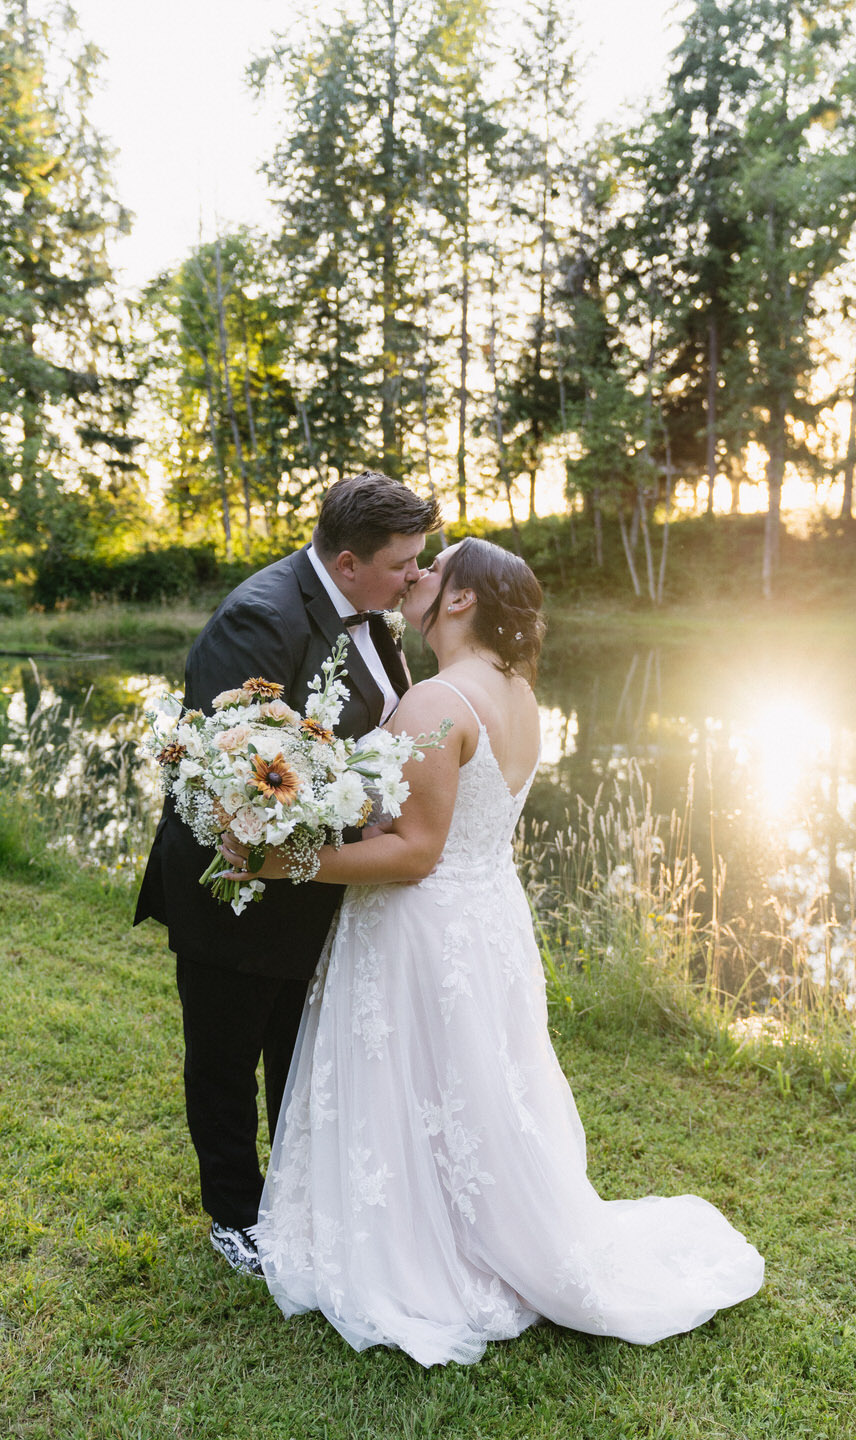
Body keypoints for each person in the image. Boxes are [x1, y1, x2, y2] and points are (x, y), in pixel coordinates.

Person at [224, 536, 765, 1365]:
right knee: (474, 1083)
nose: (416, 577)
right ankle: (479, 1219)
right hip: (486, 917)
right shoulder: (517, 693)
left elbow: (413, 854)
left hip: (423, 922)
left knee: (431, 1082)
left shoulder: (434, 702)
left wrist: (284, 858)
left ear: (465, 599)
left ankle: (429, 1247)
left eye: (432, 570)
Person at [134, 470, 440, 1275]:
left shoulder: (374, 614)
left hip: (322, 881)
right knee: (228, 1056)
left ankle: (298, 1198)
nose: (416, 575)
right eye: (404, 561)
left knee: (301, 1053)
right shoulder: (259, 619)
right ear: (347, 562)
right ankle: (234, 1215)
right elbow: (222, 775)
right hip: (238, 891)